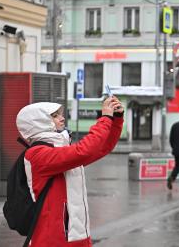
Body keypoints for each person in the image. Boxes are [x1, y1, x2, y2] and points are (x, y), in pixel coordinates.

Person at [15, 96, 123, 247]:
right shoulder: (37, 154)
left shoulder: (58, 149)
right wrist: (105, 117)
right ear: (38, 122)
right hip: (53, 239)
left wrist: (116, 119)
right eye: (54, 116)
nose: (62, 118)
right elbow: (85, 151)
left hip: (75, 236)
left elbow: (102, 148)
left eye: (60, 114)